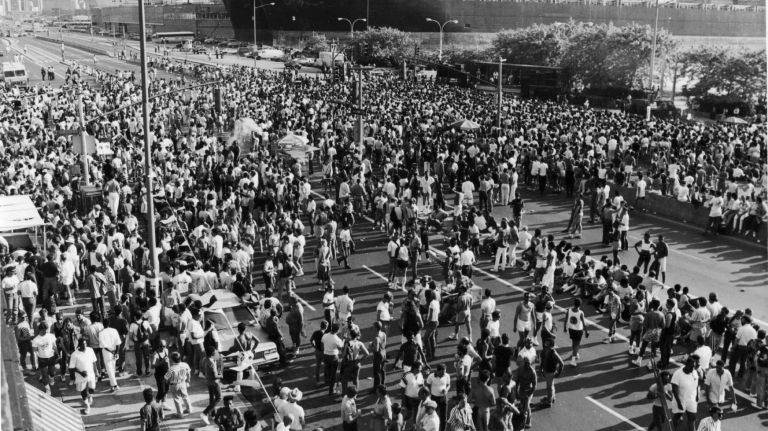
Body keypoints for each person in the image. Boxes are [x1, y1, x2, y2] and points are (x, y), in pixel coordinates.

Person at [69, 338, 98, 415]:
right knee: (83, 390)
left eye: (85, 344)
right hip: (80, 376)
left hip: (91, 373)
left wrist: (96, 371)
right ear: (79, 345)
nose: (84, 346)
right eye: (83, 344)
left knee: (92, 388)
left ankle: (90, 396)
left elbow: (94, 362)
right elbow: (71, 368)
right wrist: (80, 373)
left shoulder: (90, 350)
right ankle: (87, 405)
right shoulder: (74, 354)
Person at [671, 357, 699, 431]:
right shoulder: (677, 374)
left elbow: (696, 384)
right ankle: (673, 429)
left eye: (694, 367)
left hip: (691, 400)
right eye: (691, 366)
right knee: (677, 416)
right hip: (681, 400)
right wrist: (679, 403)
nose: (692, 369)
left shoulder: (694, 372)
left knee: (692, 417)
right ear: (686, 364)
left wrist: (697, 395)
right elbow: (674, 389)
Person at [164, 351, 192, 419]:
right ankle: (189, 409)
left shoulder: (171, 369)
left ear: (172, 359)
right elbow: (188, 374)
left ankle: (180, 414)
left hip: (174, 385)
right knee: (185, 396)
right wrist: (188, 381)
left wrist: (168, 383)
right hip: (183, 383)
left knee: (177, 399)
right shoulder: (185, 365)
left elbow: (166, 378)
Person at [201, 344, 223, 425]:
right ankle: (205, 413)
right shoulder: (211, 363)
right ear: (213, 353)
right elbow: (215, 375)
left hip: (208, 381)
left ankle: (213, 413)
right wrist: (221, 375)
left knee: (212, 397)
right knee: (219, 398)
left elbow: (203, 370)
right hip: (214, 382)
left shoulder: (205, 359)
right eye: (215, 352)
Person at [539, 337, 564, 407]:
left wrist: (559, 373)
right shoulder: (546, 350)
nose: (545, 344)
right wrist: (541, 369)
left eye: (547, 343)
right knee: (550, 385)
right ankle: (552, 397)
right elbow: (542, 360)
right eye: (545, 343)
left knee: (549, 387)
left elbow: (561, 363)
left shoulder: (553, 353)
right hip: (546, 371)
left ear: (551, 345)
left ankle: (549, 401)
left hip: (550, 372)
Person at [563, 299, 589, 366]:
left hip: (571, 329)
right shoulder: (580, 313)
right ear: (580, 305)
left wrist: (564, 328)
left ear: (574, 304)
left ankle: (576, 353)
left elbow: (565, 320)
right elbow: (583, 323)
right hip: (578, 331)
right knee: (577, 345)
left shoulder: (569, 310)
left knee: (574, 342)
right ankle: (573, 360)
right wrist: (586, 331)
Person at [515, 356, 537, 429]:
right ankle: (523, 421)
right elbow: (517, 381)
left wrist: (529, 394)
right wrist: (516, 392)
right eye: (526, 363)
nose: (528, 364)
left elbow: (534, 385)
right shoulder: (520, 369)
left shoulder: (532, 372)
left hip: (528, 390)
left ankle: (527, 422)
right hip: (521, 390)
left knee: (526, 407)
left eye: (529, 363)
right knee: (523, 405)